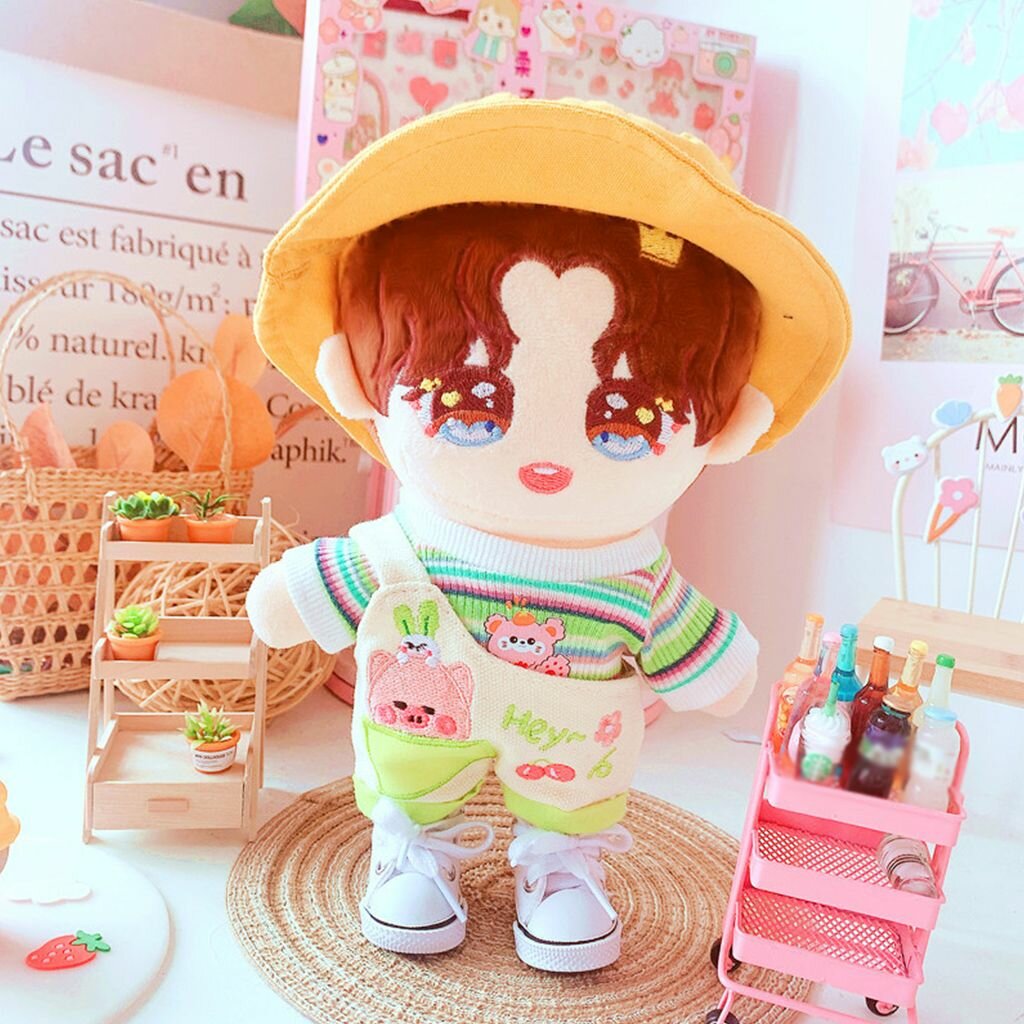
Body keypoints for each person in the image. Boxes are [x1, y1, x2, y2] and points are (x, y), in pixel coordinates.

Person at [246, 96, 850, 972]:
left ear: (722, 431)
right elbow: (309, 592)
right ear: (356, 381)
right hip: (422, 727)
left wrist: (722, 670)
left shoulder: (635, 576)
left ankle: (561, 861)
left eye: (627, 422)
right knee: (413, 771)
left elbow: (706, 661)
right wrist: (292, 596)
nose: (545, 463)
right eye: (469, 407)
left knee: (575, 796)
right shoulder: (407, 547)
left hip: (573, 758)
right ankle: (411, 843)